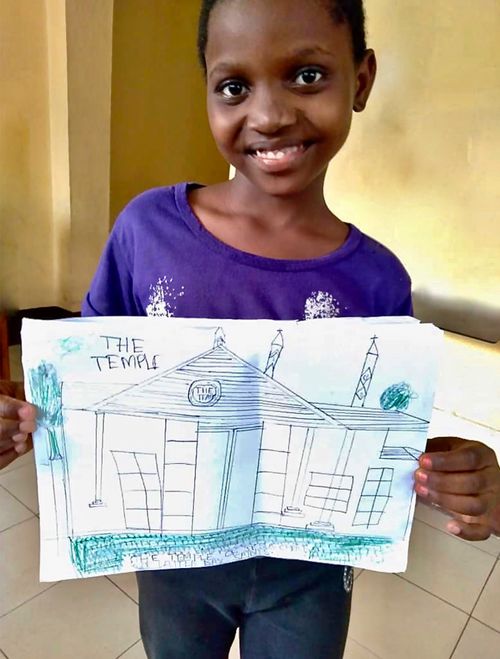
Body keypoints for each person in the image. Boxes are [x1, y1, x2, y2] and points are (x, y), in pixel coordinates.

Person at [1, 1, 499, 657]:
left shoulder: (379, 281)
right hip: (175, 565)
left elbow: (378, 431)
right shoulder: (147, 231)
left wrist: (456, 472)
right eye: (234, 87)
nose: (268, 115)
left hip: (309, 577)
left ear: (361, 79)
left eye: (307, 75)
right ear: (206, 90)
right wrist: (25, 416)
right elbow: (91, 383)